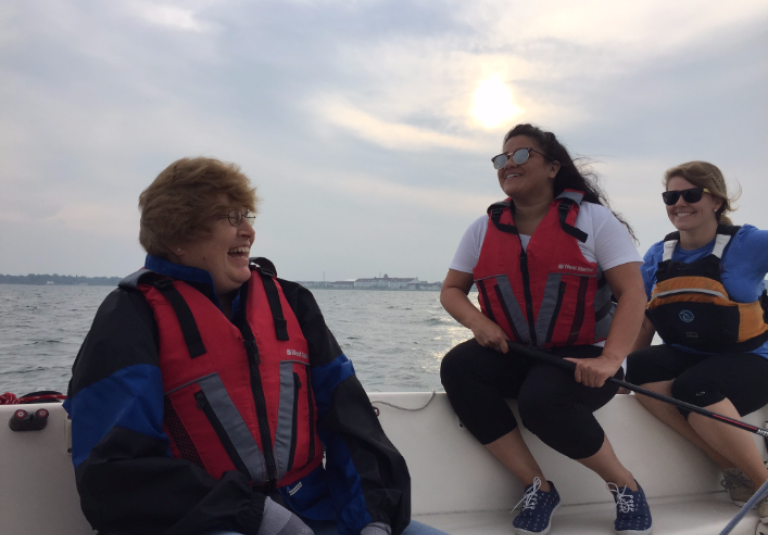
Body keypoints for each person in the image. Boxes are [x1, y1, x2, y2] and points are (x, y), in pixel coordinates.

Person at [64, 157, 448, 535]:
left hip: (314, 509)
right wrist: (255, 515)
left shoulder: (293, 303)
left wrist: (373, 518)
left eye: (247, 215)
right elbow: (112, 472)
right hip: (204, 521)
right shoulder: (130, 317)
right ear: (178, 234)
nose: (248, 231)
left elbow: (352, 424)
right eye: (231, 218)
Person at [440, 124, 652, 535]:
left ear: (553, 167)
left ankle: (625, 485)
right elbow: (451, 290)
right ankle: (537, 486)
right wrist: (478, 323)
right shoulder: (483, 228)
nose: (508, 165)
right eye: (502, 159)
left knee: (542, 397)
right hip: (518, 353)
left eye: (521, 156)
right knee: (459, 366)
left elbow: (633, 294)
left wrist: (611, 359)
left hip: (585, 356)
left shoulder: (594, 221)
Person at [626, 161, 768, 520]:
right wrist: (620, 374)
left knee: (694, 386)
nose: (680, 203)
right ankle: (730, 468)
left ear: (716, 201)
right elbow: (644, 318)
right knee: (639, 369)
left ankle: (763, 485)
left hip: (753, 359)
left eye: (691, 194)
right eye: (671, 196)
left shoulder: (750, 243)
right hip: (692, 356)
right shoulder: (659, 255)